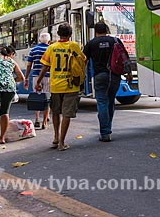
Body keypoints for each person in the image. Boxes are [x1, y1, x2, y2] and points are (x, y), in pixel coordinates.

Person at [35, 23, 85, 151]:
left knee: (56, 112)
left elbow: (45, 66)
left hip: (56, 85)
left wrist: (38, 81)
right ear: (70, 34)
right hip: (71, 85)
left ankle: (56, 137)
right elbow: (83, 60)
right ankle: (62, 142)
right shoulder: (74, 46)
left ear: (58, 34)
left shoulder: (52, 47)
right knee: (67, 114)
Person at [83, 21, 132, 142]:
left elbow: (83, 61)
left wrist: (81, 76)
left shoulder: (91, 43)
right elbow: (124, 57)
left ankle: (105, 132)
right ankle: (108, 129)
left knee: (102, 103)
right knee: (110, 101)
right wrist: (129, 73)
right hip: (114, 76)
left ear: (95, 31)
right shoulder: (115, 41)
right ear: (107, 30)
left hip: (99, 76)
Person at [24, 32, 51, 129]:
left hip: (35, 76)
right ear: (49, 40)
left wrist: (26, 78)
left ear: (39, 40)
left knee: (37, 97)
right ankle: (44, 122)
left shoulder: (33, 50)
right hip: (48, 76)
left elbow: (28, 65)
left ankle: (37, 119)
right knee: (46, 98)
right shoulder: (50, 49)